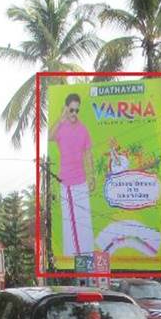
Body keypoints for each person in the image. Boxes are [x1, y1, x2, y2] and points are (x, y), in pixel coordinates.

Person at [50, 93, 95, 257]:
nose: (74, 113)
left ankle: (87, 255)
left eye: (77, 110)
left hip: (81, 180)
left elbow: (88, 154)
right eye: (71, 110)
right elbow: (50, 137)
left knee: (84, 219)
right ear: (66, 109)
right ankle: (72, 256)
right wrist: (61, 119)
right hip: (66, 182)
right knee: (69, 222)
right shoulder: (61, 127)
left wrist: (92, 177)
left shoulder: (83, 130)